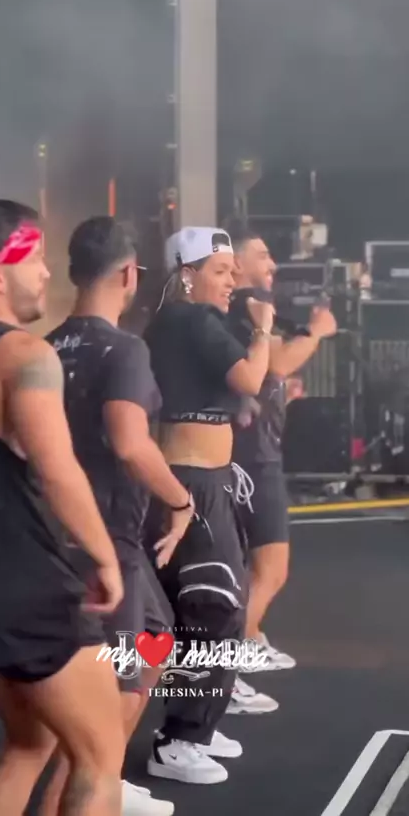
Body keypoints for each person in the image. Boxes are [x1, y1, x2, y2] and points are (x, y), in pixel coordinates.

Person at [0, 200, 126, 816]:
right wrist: (105, 558)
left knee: (29, 742)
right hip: (23, 584)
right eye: (37, 259)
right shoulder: (24, 355)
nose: (48, 272)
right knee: (100, 759)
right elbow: (58, 470)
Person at [46, 216, 201, 816]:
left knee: (155, 640)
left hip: (62, 535)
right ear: (130, 274)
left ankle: (106, 777)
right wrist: (181, 501)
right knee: (103, 695)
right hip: (106, 541)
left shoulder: (44, 347)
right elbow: (132, 444)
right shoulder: (124, 349)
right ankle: (92, 784)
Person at [143, 226, 276, 786]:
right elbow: (250, 377)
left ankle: (196, 721)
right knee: (214, 606)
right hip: (194, 483)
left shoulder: (172, 323)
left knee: (206, 605)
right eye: (221, 271)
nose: (232, 282)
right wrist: (263, 329)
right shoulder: (193, 320)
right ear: (187, 274)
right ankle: (180, 739)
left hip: (200, 478)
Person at [226, 219, 337, 711]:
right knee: (270, 569)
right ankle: (226, 667)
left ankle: (245, 645)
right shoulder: (245, 306)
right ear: (236, 262)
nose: (272, 264)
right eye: (263, 255)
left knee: (254, 567)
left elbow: (266, 372)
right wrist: (316, 331)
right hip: (252, 458)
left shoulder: (240, 309)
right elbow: (277, 363)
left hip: (253, 452)